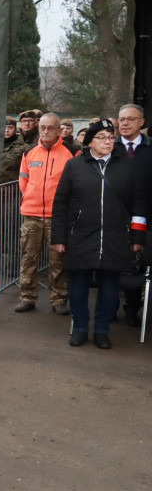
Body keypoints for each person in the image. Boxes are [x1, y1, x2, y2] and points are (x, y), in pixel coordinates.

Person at [52, 118, 146, 349]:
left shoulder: (127, 166)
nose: (107, 141)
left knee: (109, 286)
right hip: (81, 235)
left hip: (115, 236)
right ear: (89, 142)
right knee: (78, 284)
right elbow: (60, 203)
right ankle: (81, 328)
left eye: (111, 137)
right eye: (101, 138)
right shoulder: (75, 166)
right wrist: (59, 238)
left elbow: (139, 205)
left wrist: (136, 238)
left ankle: (102, 330)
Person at [16, 112, 72, 315]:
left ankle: (58, 298)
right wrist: (30, 198)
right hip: (31, 215)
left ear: (59, 130)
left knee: (57, 260)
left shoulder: (71, 152)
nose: (46, 131)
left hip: (57, 217)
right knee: (28, 258)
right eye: (43, 127)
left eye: (50, 128)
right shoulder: (29, 152)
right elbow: (24, 180)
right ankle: (27, 297)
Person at [114, 104, 151, 326]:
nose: (124, 123)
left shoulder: (149, 149)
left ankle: (132, 310)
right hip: (113, 219)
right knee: (110, 266)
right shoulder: (109, 147)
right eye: (121, 119)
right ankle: (108, 309)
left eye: (130, 119)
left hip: (145, 220)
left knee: (136, 264)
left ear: (141, 122)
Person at [0, 116, 26, 184]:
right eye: (4, 127)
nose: (6, 130)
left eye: (10, 128)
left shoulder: (23, 145)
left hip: (14, 185)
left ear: (15, 129)